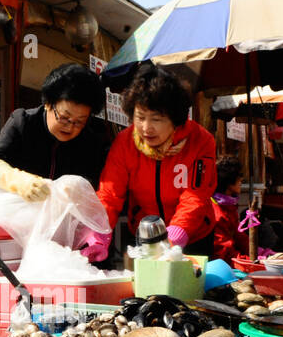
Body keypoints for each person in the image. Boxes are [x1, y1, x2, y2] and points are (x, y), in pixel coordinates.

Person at [85, 64, 216, 261]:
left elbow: (196, 196)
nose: (146, 128)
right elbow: (109, 193)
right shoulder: (125, 142)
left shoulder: (201, 141)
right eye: (140, 117)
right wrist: (98, 235)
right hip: (144, 232)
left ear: (175, 119)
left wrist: (176, 235)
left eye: (156, 119)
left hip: (193, 235)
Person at [0, 63, 110, 200]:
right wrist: (17, 181)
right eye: (64, 117)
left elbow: (97, 181)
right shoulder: (23, 122)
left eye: (79, 121)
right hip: (18, 208)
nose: (70, 127)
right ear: (48, 104)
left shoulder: (90, 139)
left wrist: (79, 189)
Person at [209, 156, 254, 262]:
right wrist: (248, 261)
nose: (241, 180)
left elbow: (239, 237)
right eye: (239, 176)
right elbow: (224, 251)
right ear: (228, 181)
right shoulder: (217, 212)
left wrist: (259, 254)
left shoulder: (229, 207)